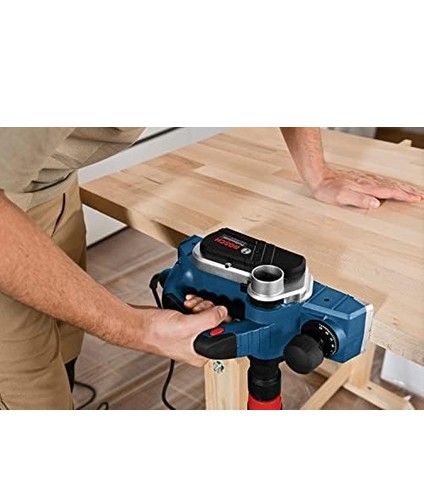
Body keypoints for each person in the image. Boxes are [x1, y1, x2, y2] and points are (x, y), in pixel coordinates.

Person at [0, 127, 422, 410]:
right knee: (34, 392)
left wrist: (319, 174)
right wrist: (136, 329)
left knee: (62, 339)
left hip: (49, 180)